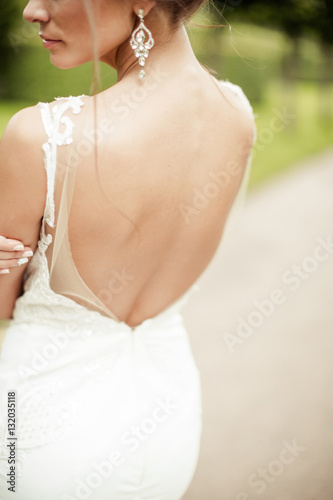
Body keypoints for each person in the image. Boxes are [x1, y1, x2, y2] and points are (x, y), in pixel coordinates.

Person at [0, 0, 256, 498]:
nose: (32, 10)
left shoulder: (41, 138)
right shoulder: (238, 116)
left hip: (38, 433)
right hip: (169, 422)